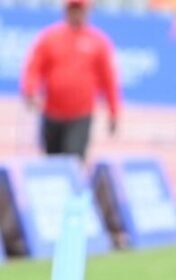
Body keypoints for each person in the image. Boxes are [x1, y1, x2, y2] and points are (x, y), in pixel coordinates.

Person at [21, 0, 120, 160]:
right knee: (51, 162)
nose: (76, 13)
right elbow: (33, 68)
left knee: (73, 161)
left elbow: (109, 80)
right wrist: (30, 91)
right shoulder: (50, 38)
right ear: (66, 11)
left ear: (87, 12)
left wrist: (114, 111)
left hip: (80, 115)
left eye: (79, 9)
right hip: (51, 113)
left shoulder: (98, 42)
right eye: (72, 9)